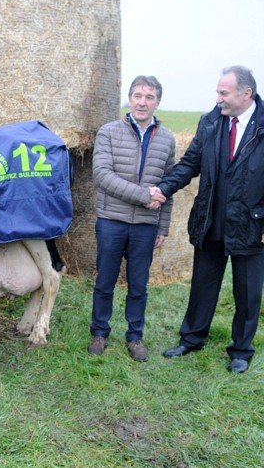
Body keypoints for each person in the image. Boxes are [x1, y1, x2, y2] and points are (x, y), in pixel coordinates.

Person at [156, 66, 264, 374]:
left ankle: (241, 350)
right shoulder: (211, 122)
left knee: (247, 292)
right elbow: (190, 163)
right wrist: (163, 189)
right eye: (218, 92)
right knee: (202, 285)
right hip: (211, 219)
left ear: (247, 94)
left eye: (223, 93)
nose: (218, 98)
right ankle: (191, 339)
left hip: (251, 225)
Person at [88, 75, 175, 362]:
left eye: (149, 97)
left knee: (139, 286)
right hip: (112, 221)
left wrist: (162, 226)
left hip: (146, 227)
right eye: (137, 95)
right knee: (105, 282)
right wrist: (142, 195)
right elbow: (102, 176)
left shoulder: (167, 139)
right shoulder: (109, 132)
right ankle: (99, 332)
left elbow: (168, 187)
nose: (142, 101)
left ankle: (135, 337)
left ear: (157, 102)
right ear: (129, 98)